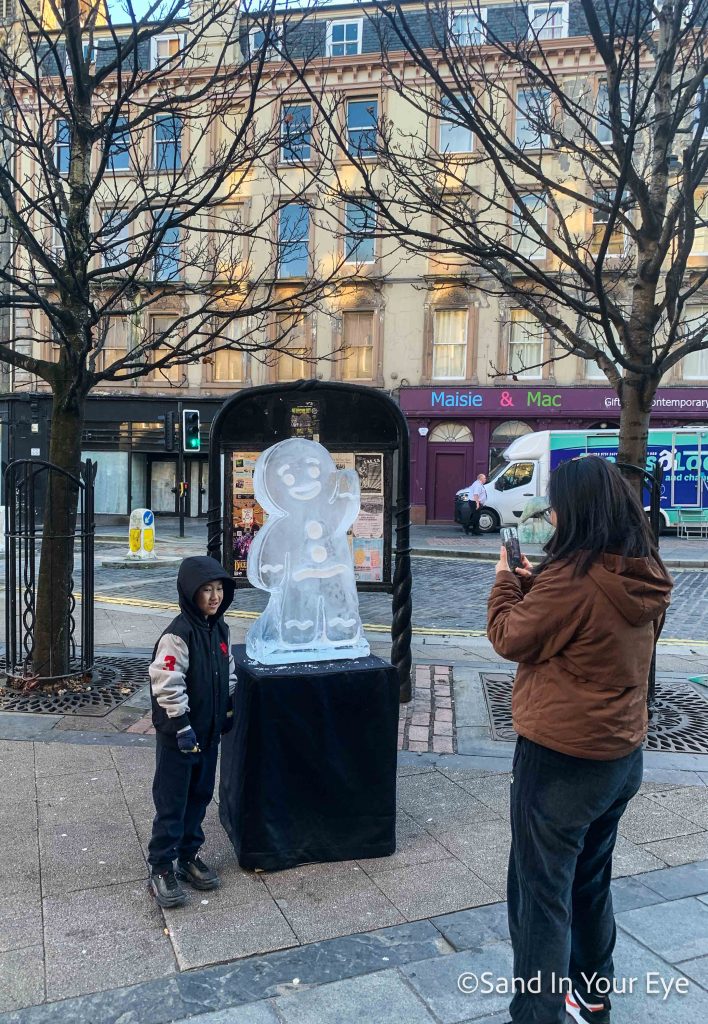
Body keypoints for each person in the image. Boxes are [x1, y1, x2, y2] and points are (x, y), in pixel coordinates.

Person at [487, 456, 672, 1024]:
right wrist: (535, 582)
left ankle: (537, 1013)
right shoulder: (645, 570)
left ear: (580, 509)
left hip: (560, 759)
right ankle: (592, 994)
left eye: (558, 501)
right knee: (591, 880)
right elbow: (587, 624)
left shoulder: (570, 578)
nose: (552, 511)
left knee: (541, 894)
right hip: (620, 754)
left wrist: (504, 580)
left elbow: (509, 636)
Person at [147, 555, 237, 907]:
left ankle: (187, 855)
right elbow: (166, 682)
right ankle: (161, 865)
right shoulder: (177, 636)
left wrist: (227, 708)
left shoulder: (220, 629)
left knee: (199, 795)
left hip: (208, 732)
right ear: (190, 593)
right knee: (173, 799)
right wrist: (182, 726)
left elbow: (227, 670)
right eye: (206, 590)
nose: (214, 597)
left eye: (219, 590)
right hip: (181, 735)